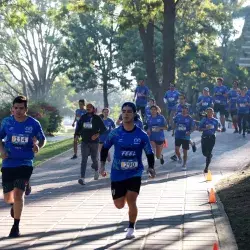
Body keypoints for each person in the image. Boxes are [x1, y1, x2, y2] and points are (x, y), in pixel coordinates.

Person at [99, 102, 155, 239]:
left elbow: (149, 152)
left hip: (135, 173)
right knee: (119, 205)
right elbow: (105, 148)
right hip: (117, 174)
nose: (126, 114)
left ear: (134, 114)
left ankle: (131, 227)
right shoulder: (115, 133)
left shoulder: (141, 135)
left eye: (129, 111)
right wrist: (102, 165)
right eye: (124, 111)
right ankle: (122, 196)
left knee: (132, 200)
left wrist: (151, 167)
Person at [0, 95, 46, 237]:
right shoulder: (6, 122)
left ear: (26, 109)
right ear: (12, 109)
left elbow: (42, 139)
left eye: (21, 108)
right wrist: (1, 151)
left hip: (25, 162)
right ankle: (14, 205)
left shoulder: (33, 123)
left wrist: (37, 146)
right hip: (8, 162)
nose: (18, 111)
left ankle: (15, 226)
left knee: (18, 195)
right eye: (16, 108)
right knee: (8, 197)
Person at [75, 103, 107, 185]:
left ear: (93, 109)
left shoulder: (97, 118)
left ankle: (96, 170)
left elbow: (104, 129)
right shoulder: (83, 117)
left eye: (90, 108)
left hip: (94, 142)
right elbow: (78, 127)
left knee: (94, 159)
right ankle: (82, 178)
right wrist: (77, 135)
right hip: (85, 141)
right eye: (87, 108)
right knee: (84, 160)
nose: (88, 109)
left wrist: (97, 134)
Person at [170, 94, 196, 161]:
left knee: (186, 138)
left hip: (187, 124)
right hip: (179, 124)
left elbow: (192, 115)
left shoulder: (188, 106)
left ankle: (192, 144)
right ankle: (176, 155)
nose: (180, 100)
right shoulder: (177, 106)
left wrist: (190, 120)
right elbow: (174, 114)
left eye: (182, 99)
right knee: (179, 139)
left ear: (185, 99)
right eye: (179, 99)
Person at [173, 105, 195, 170]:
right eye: (183, 109)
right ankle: (179, 158)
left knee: (185, 151)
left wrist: (190, 132)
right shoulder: (178, 116)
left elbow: (194, 127)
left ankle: (184, 164)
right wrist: (173, 131)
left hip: (185, 137)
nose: (184, 110)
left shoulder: (190, 118)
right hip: (178, 135)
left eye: (185, 109)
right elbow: (174, 123)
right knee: (176, 150)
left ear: (187, 110)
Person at [199, 108, 220, 173]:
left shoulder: (216, 121)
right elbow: (199, 129)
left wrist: (219, 129)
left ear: (213, 113)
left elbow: (217, 128)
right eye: (208, 112)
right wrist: (205, 128)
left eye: (210, 112)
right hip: (204, 137)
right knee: (204, 152)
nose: (209, 114)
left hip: (212, 138)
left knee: (209, 152)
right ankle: (209, 156)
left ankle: (206, 167)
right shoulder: (204, 120)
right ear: (206, 113)